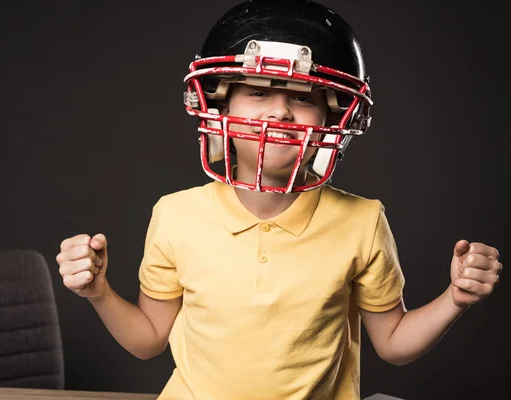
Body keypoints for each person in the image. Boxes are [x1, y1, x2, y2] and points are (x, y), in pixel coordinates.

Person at [56, 1, 502, 398]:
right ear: (220, 106)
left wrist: (454, 299)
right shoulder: (175, 215)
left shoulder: (362, 221)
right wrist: (99, 293)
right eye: (257, 91)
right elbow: (149, 337)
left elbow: (393, 342)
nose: (279, 112)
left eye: (302, 97)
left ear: (333, 115)